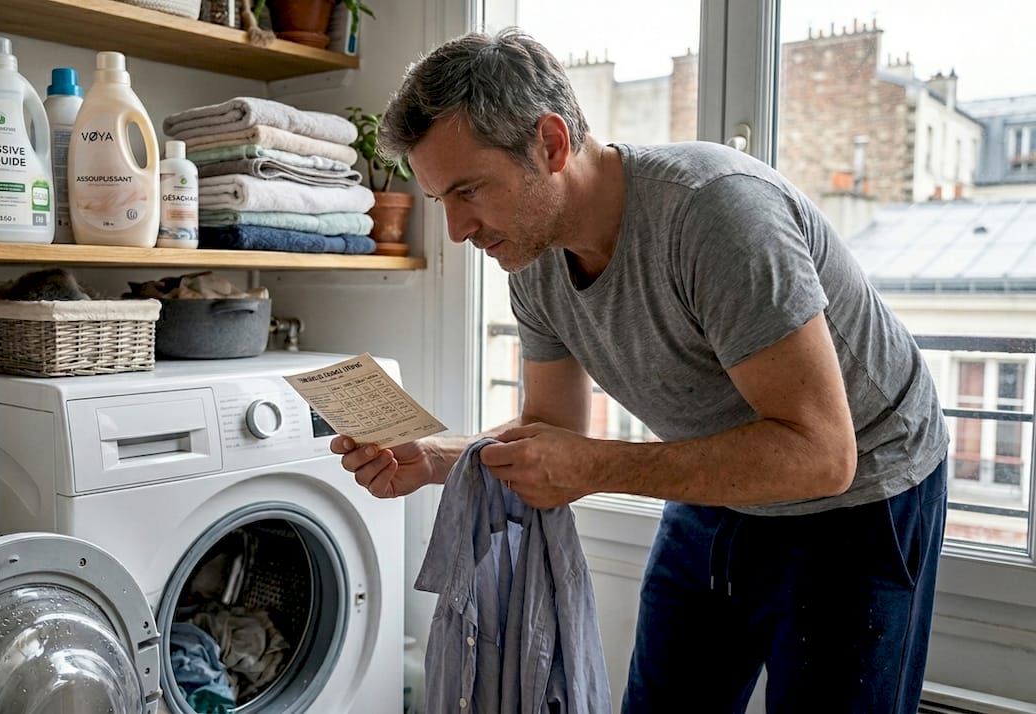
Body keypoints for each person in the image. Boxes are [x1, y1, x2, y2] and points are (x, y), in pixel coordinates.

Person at [330, 28, 949, 714]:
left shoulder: (716, 214)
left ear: (552, 144)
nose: (456, 230)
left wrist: (597, 467)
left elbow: (822, 455)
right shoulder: (531, 256)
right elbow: (552, 426)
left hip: (861, 494)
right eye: (443, 198)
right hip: (720, 479)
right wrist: (436, 457)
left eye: (469, 190)